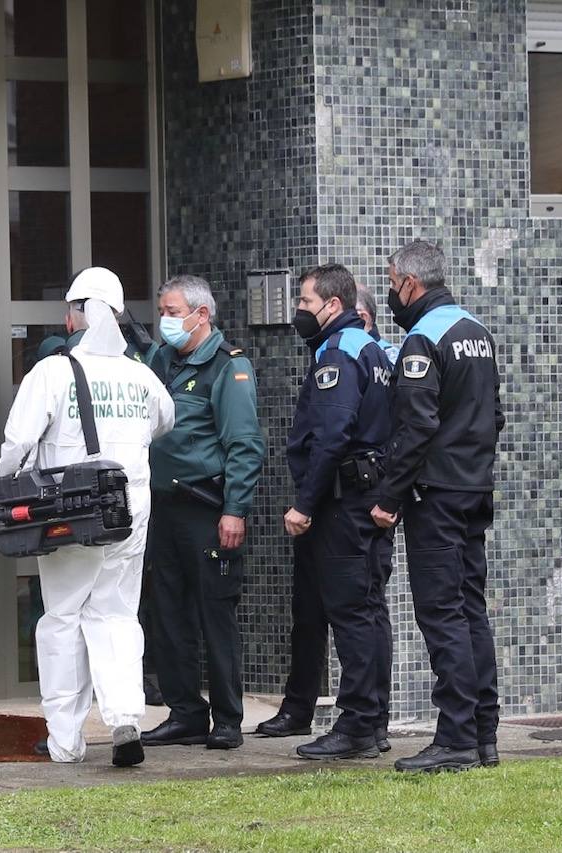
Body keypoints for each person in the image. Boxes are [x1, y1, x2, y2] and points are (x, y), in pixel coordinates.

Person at [0, 267, 174, 767]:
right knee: (116, 614)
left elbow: (17, 443)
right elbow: (165, 421)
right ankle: (124, 720)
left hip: (67, 512)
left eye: (70, 309)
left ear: (77, 314)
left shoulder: (53, 372)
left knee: (63, 618)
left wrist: (7, 488)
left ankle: (66, 741)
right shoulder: (141, 375)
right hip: (129, 510)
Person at [371, 240, 505, 773]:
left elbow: (417, 426)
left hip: (437, 496)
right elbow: (494, 415)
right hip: (473, 490)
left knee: (442, 613)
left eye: (390, 282)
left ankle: (454, 739)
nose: (388, 293)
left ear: (409, 283)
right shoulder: (478, 331)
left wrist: (390, 497)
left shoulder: (424, 339)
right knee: (471, 609)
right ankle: (483, 734)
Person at [256, 275, 399, 753]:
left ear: (332, 303)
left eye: (304, 300)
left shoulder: (338, 351)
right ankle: (372, 720)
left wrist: (305, 504)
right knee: (369, 611)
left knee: (353, 615)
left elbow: (332, 436)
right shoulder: (373, 349)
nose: (299, 308)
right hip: (365, 495)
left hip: (342, 503)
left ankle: (358, 725)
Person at [140, 275, 265, 751]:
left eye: (173, 312)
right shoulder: (159, 361)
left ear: (201, 314)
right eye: (163, 311)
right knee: (169, 615)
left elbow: (244, 445)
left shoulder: (227, 367)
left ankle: (227, 718)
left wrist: (235, 510)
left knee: (215, 615)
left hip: (207, 509)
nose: (166, 321)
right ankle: (185, 712)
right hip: (164, 508)